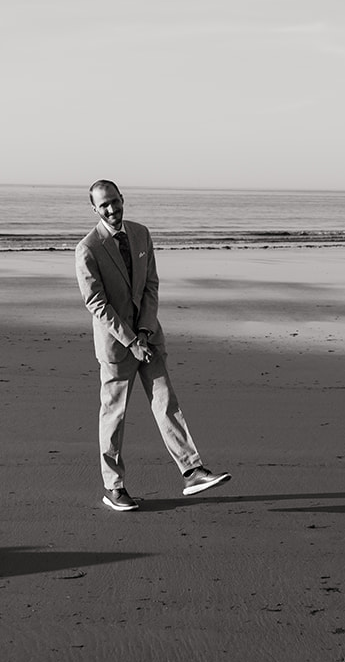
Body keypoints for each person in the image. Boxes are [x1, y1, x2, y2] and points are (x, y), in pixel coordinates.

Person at [75, 180, 230, 511]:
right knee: (114, 416)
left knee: (167, 403)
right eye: (104, 205)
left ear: (122, 199)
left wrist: (144, 331)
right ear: (94, 209)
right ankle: (113, 487)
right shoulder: (87, 249)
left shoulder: (142, 234)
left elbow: (151, 287)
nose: (112, 209)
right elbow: (97, 304)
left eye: (115, 201)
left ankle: (192, 470)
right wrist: (131, 341)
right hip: (118, 348)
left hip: (149, 337)